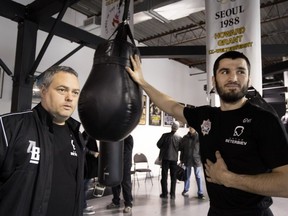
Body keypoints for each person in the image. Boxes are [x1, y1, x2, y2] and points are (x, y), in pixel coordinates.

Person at [126, 51, 288, 216]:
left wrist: (230, 179)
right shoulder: (206, 116)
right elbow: (171, 106)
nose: (233, 78)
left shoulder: (265, 120)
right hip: (216, 211)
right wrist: (142, 82)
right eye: (225, 72)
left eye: (241, 71)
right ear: (213, 80)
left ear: (249, 80)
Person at [0, 66, 84, 216]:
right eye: (62, 90)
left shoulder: (76, 134)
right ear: (44, 91)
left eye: (75, 92)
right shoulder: (10, 127)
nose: (70, 97)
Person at [106, 134, 134, 213]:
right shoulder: (115, 138)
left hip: (125, 164)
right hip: (115, 164)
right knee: (115, 183)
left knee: (126, 184)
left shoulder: (128, 138)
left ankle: (128, 204)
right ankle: (115, 202)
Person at [156, 121, 182, 199]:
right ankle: (172, 194)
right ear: (177, 128)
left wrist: (164, 147)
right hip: (174, 159)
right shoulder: (179, 138)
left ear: (171, 127)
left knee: (164, 176)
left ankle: (164, 194)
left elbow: (158, 144)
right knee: (173, 177)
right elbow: (180, 148)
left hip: (165, 158)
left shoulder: (165, 136)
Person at [179, 126, 205, 199]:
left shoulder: (200, 137)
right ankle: (186, 189)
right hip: (187, 160)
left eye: (192, 127)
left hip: (197, 160)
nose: (191, 128)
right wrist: (181, 160)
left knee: (198, 176)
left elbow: (203, 149)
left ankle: (200, 193)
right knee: (187, 176)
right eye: (190, 127)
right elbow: (182, 150)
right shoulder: (185, 138)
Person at [82, 131, 99, 215]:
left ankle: (84, 205)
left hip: (90, 166)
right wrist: (93, 153)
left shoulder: (91, 135)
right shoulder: (87, 134)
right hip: (87, 167)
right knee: (84, 187)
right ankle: (82, 207)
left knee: (85, 187)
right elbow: (82, 147)